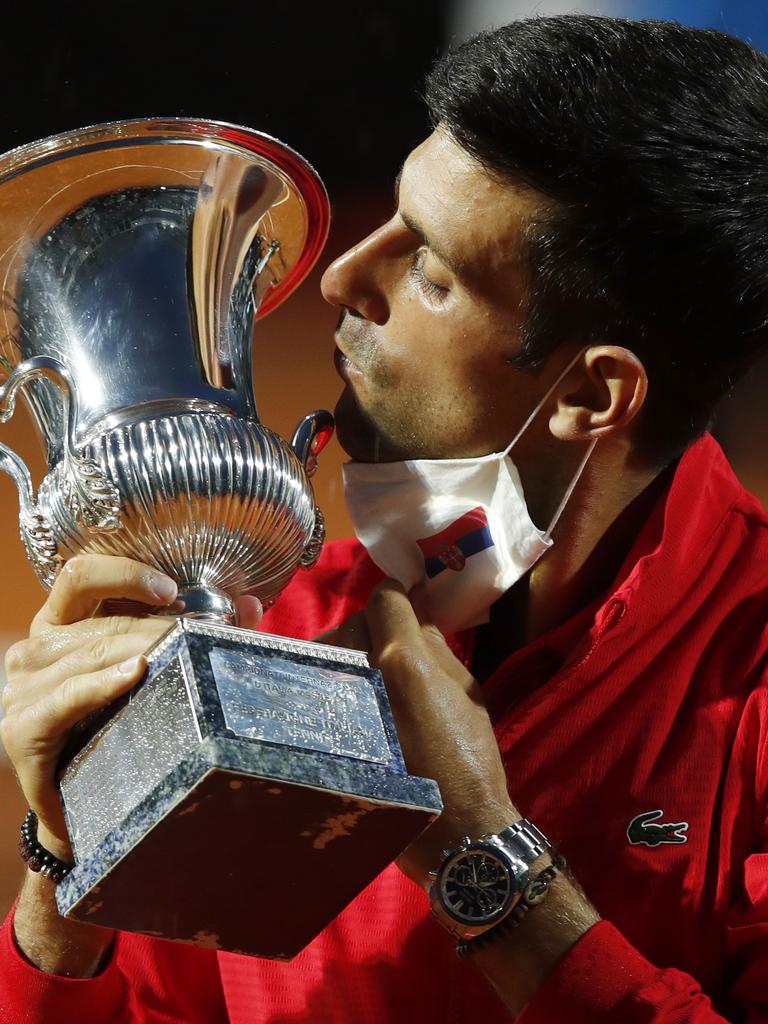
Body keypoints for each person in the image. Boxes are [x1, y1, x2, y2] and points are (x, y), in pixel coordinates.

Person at [1, 13, 768, 1023]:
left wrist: (478, 851)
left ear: (591, 395)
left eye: (431, 272)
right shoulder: (284, 628)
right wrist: (69, 865)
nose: (343, 275)